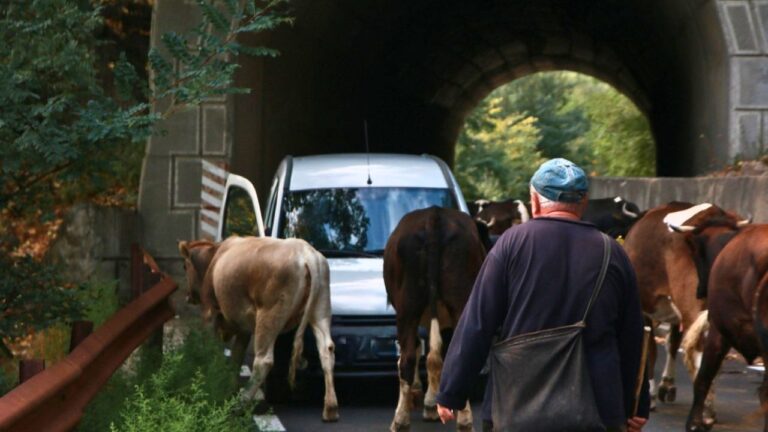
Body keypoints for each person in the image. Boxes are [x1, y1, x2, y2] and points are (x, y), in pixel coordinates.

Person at [435, 158, 650, 432]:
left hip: (516, 404)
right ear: (583, 202)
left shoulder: (511, 244)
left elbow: (478, 322)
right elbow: (631, 338)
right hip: (597, 408)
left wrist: (451, 391)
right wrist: (635, 406)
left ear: (534, 200)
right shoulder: (613, 252)